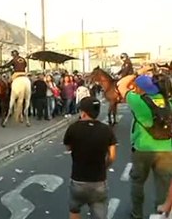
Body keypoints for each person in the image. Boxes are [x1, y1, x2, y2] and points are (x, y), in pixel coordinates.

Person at [117, 66, 172, 219]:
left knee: (137, 183)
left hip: (142, 148)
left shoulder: (138, 101)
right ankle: (161, 214)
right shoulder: (169, 102)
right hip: (167, 149)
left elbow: (121, 84)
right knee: (163, 186)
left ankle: (137, 213)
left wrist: (138, 72)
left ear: (141, 89)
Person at [63, 97, 117, 219]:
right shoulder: (107, 130)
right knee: (99, 211)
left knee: (74, 210)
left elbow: (68, 148)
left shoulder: (73, 128)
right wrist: (105, 166)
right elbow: (112, 155)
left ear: (83, 112)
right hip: (98, 181)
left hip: (78, 180)